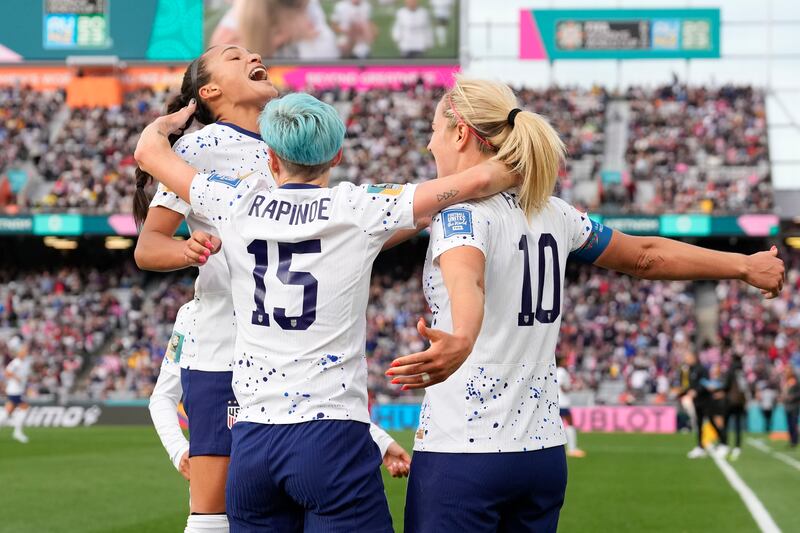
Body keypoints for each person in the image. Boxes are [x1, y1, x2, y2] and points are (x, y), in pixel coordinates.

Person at [383, 76, 785, 532]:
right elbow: (646, 256)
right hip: (541, 454)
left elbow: (466, 280)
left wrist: (463, 336)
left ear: (459, 132)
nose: (430, 145)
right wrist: (742, 265)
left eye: (434, 131)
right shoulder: (555, 212)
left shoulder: (460, 215)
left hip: (464, 452)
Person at [133, 92, 517, 531]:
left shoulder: (235, 200)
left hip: (253, 439)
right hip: (330, 435)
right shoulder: (360, 207)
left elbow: (148, 151)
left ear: (272, 158)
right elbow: (481, 180)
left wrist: (170, 123)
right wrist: (521, 132)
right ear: (336, 155)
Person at [134, 48, 412, 533]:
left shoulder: (292, 140)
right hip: (224, 348)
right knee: (214, 511)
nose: (254, 55)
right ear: (209, 91)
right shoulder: (201, 148)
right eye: (234, 55)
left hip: (285, 354)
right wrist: (188, 251)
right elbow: (148, 245)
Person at [720, 355, 748, 460]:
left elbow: (726, 385)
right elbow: (744, 387)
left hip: (730, 401)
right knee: (738, 425)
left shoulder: (730, 371)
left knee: (725, 423)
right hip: (740, 402)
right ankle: (737, 446)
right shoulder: (742, 372)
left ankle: (725, 444)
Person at [0, 349, 31, 443]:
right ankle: (17, 432)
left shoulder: (24, 362)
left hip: (18, 390)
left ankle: (17, 432)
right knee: (25, 407)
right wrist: (16, 378)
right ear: (19, 353)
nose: (25, 353)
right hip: (14, 390)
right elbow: (7, 373)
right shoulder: (15, 362)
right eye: (24, 351)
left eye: (26, 351)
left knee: (7, 411)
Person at [557, 356, 585, 457]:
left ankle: (571, 448)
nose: (567, 361)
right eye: (565, 359)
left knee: (563, 425)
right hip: (562, 401)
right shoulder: (561, 371)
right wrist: (574, 387)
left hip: (559, 402)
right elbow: (562, 386)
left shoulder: (557, 370)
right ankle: (572, 449)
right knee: (569, 424)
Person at [781, 367, 800, 449]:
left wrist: (793, 397)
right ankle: (791, 440)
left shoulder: (795, 381)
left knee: (793, 424)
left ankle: (795, 441)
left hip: (794, 406)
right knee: (789, 425)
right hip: (787, 406)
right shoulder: (785, 382)